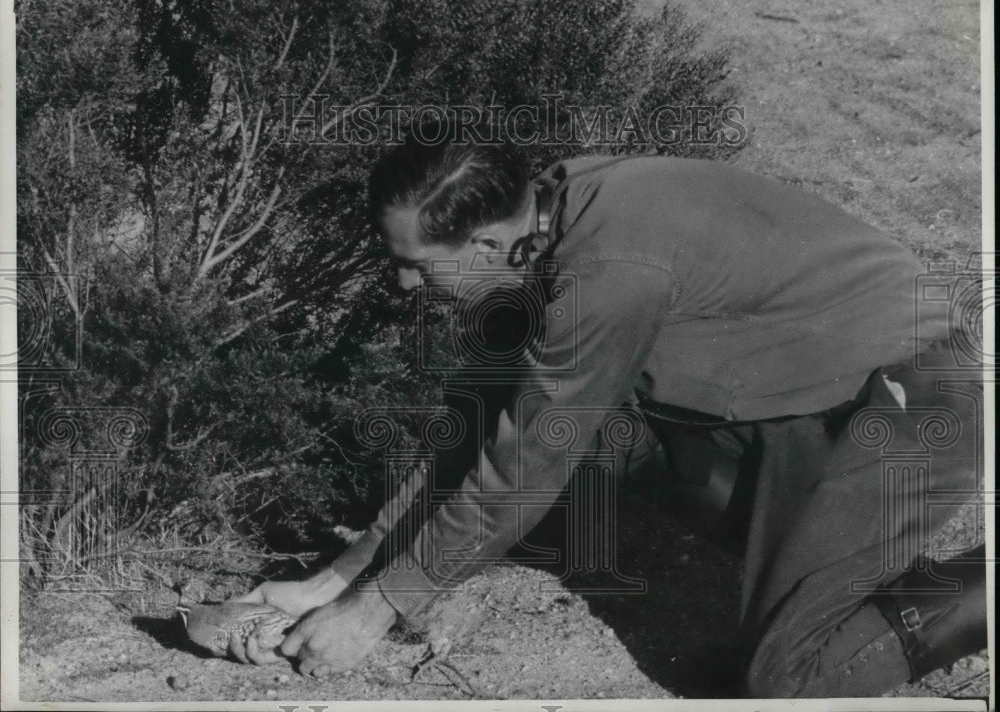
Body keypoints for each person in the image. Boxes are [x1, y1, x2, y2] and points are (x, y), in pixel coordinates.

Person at [232, 124, 987, 698]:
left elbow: (519, 473)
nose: (400, 285)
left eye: (417, 266)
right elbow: (476, 430)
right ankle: (853, 571)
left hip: (908, 401)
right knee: (602, 438)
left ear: (490, 242)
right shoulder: (545, 222)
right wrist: (340, 576)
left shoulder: (604, 274)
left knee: (787, 676)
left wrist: (376, 611)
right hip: (807, 390)